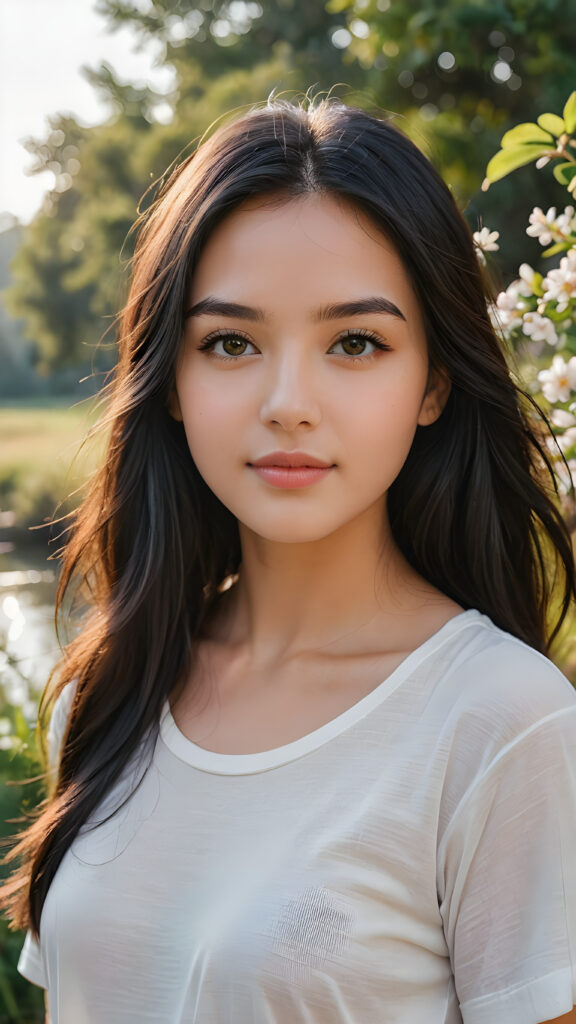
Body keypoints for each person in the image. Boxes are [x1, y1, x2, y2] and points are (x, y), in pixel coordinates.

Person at [2, 96, 576, 1024]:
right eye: (231, 342)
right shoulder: (108, 691)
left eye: (356, 342)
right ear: (173, 381)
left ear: (432, 380)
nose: (288, 402)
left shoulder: (503, 726)